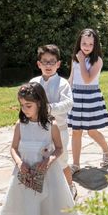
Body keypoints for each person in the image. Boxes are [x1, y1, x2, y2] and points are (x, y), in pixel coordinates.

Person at [0, 83, 80, 215]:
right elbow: (13, 148)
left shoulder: (51, 125)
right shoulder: (20, 125)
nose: (25, 109)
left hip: (48, 173)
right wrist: (19, 162)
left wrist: (49, 160)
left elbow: (59, 148)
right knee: (33, 206)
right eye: (22, 105)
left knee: (49, 204)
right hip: (27, 172)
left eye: (28, 105)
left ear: (39, 103)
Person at [30, 44, 76, 202]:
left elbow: (68, 103)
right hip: (39, 130)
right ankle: (47, 190)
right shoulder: (34, 82)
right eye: (45, 61)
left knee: (61, 160)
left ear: (58, 64)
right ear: (39, 64)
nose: (48, 65)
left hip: (59, 130)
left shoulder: (63, 83)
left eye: (52, 62)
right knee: (42, 160)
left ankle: (70, 187)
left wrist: (47, 108)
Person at [67, 28, 108, 171]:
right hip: (76, 97)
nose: (86, 47)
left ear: (95, 45)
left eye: (90, 44)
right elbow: (71, 78)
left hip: (90, 98)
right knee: (76, 131)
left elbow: (87, 79)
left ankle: (107, 151)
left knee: (92, 131)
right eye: (84, 43)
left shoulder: (97, 61)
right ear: (79, 43)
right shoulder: (75, 58)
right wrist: (66, 92)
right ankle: (75, 164)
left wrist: (81, 61)